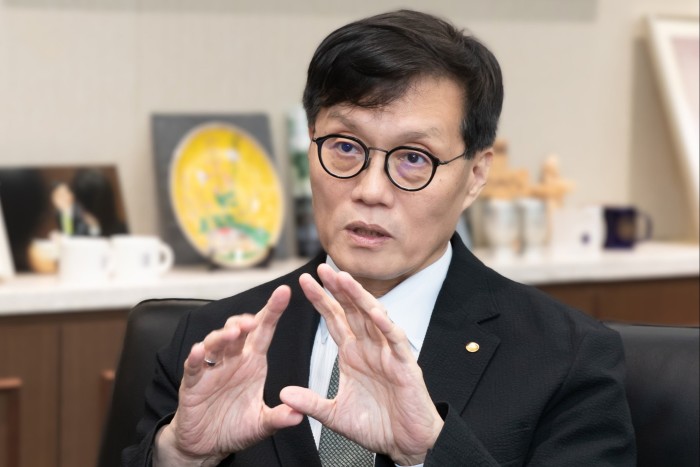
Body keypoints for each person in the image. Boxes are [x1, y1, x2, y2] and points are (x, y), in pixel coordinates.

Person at [124, 10, 635, 466]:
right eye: (345, 146)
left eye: (414, 158)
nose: (370, 190)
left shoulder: (566, 359)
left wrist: (430, 451)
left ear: (476, 174)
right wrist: (182, 457)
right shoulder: (210, 344)